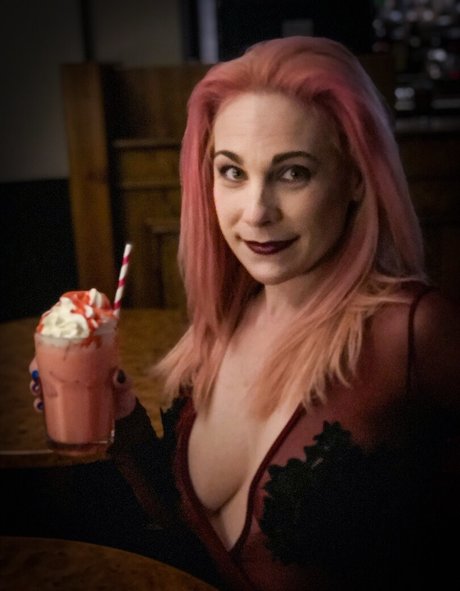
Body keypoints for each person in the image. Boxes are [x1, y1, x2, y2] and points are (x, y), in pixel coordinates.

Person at [31, 36, 460, 590]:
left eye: (293, 172)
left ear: (356, 178)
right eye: (232, 172)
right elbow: (184, 528)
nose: (256, 212)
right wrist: (123, 421)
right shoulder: (222, 324)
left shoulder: (415, 332)